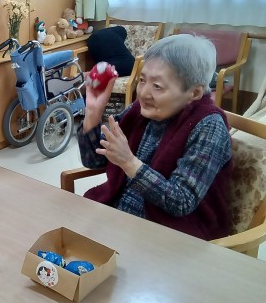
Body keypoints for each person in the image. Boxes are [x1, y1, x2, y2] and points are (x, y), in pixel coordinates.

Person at [78, 34, 232, 240]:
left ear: (195, 93)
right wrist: (93, 113)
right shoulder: (139, 110)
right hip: (120, 216)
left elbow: (182, 201)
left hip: (171, 234)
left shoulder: (209, 126)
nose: (143, 93)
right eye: (142, 80)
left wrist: (129, 162)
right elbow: (93, 160)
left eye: (157, 86)